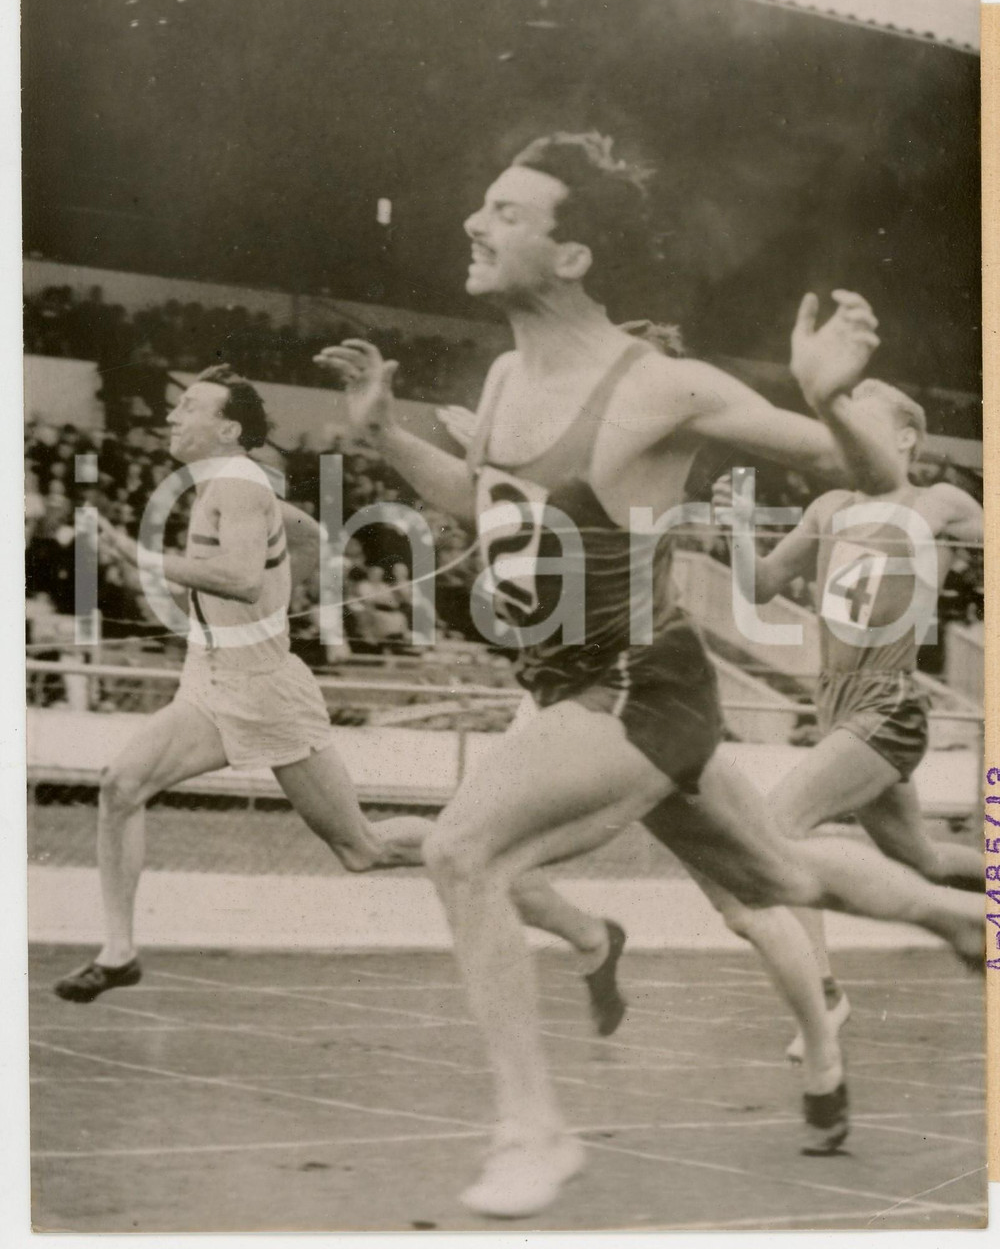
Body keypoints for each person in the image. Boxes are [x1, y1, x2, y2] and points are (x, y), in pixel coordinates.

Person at [316, 132, 982, 1218]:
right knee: (783, 878)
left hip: (636, 688)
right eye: (481, 206)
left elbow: (862, 478)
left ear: (571, 254)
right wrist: (384, 433)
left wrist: (826, 399)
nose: (475, 224)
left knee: (461, 849)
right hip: (572, 689)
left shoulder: (660, 387)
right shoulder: (500, 374)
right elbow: (487, 508)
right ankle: (965, 923)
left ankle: (533, 1127)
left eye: (505, 211)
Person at [54, 365, 429, 1005]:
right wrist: (287, 595)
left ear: (226, 428)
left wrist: (139, 554)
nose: (173, 416)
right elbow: (309, 535)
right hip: (210, 676)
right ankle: (118, 954)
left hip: (263, 689)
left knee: (361, 849)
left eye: (189, 407)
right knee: (121, 786)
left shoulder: (238, 483)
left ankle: (479, 837)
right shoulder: (227, 485)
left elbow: (239, 578)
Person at [707, 380, 983, 1071]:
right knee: (919, 857)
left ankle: (824, 993)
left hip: (889, 702)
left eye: (863, 415)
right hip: (835, 702)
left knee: (776, 830)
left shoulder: (936, 502)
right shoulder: (830, 508)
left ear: (906, 438)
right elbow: (759, 586)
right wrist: (738, 529)